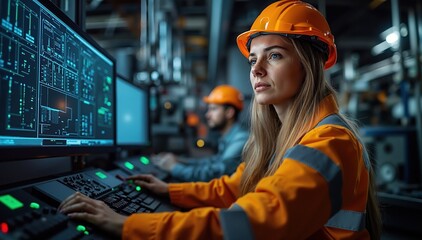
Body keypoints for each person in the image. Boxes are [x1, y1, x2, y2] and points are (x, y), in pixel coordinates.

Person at [58, 1, 382, 239]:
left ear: (309, 65)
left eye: (275, 55)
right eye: (254, 58)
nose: (255, 69)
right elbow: (233, 188)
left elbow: (257, 221)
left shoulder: (329, 142)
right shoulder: (285, 138)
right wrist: (170, 192)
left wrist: (127, 225)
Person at [151, 84, 249, 182]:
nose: (207, 115)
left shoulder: (241, 139)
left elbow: (216, 173)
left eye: (213, 109)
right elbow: (212, 162)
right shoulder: (230, 137)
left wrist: (174, 167)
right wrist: (180, 160)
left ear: (229, 112)